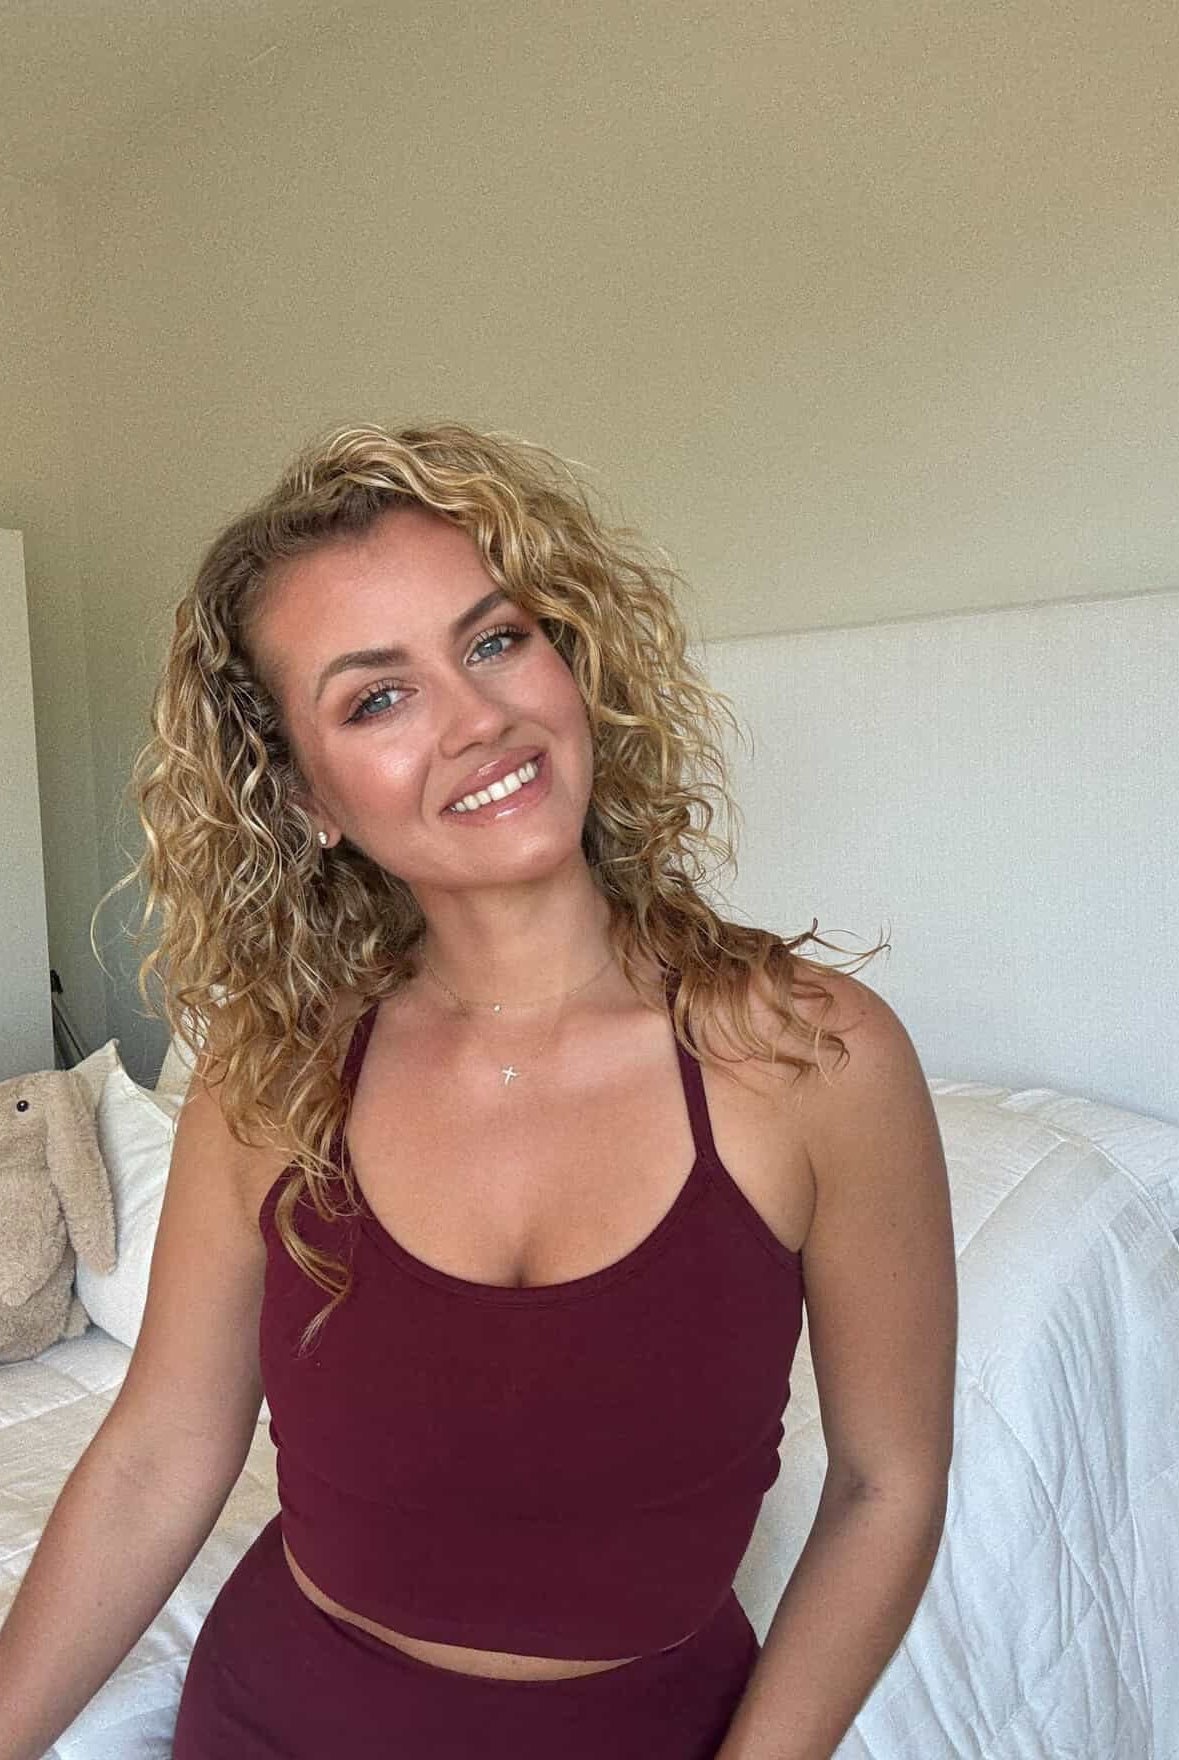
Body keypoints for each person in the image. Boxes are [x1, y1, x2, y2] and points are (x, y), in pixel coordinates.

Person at [0, 421, 957, 1760]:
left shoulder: (813, 1059)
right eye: (376, 700)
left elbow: (885, 1487)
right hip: (276, 1721)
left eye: (497, 640)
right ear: (307, 797)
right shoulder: (272, 1075)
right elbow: (159, 1454)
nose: (478, 719)